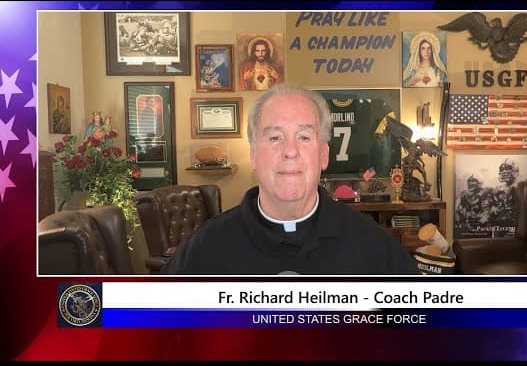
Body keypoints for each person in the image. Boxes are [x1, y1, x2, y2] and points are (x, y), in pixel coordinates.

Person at [162, 84, 420, 275]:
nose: (290, 151)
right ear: (253, 154)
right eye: (275, 137)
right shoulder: (204, 249)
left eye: (304, 137)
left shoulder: (375, 247)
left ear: (323, 155)